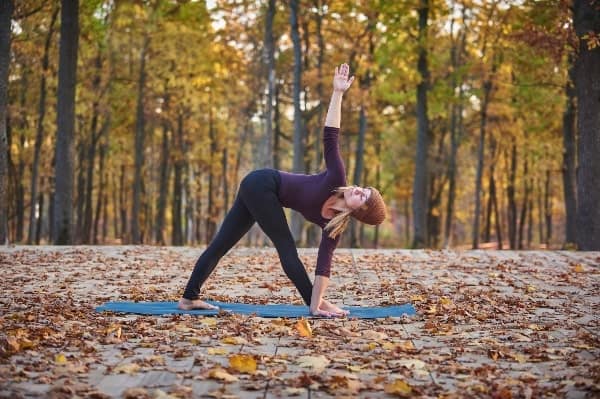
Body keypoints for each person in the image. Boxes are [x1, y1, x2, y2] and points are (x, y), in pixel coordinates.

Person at [178, 63, 387, 317]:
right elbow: (331, 135)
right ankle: (313, 303)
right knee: (286, 247)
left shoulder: (333, 227)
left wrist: (319, 301)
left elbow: (324, 268)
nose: (357, 189)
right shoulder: (337, 177)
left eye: (363, 196)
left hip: (261, 193)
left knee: (223, 243)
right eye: (363, 188)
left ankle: (189, 298)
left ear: (360, 212)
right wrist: (338, 93)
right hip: (262, 183)